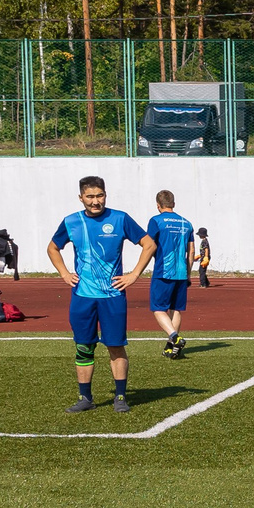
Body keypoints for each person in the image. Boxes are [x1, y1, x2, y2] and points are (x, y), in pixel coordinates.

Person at [48, 175, 154, 414]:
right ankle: (85, 398)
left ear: (105, 195)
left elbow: (149, 244)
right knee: (84, 346)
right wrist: (64, 273)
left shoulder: (120, 218)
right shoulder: (71, 221)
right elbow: (53, 248)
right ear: (81, 198)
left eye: (99, 196)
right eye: (90, 197)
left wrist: (134, 274)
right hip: (83, 296)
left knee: (115, 345)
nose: (95, 201)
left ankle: (120, 397)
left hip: (113, 296)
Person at [146, 190, 195, 360]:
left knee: (158, 308)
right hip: (181, 272)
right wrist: (188, 274)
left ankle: (174, 337)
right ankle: (172, 347)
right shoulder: (186, 223)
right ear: (173, 203)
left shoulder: (156, 221)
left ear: (158, 205)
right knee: (176, 309)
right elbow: (192, 251)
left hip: (163, 270)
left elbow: (149, 246)